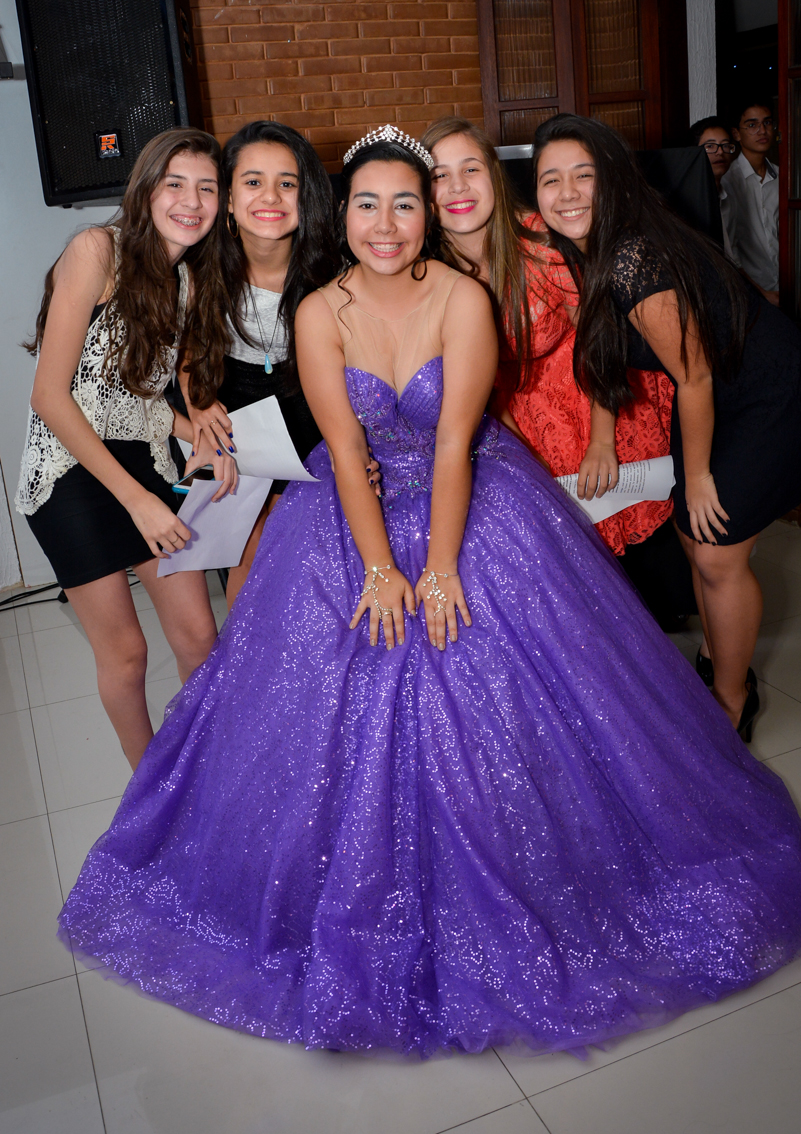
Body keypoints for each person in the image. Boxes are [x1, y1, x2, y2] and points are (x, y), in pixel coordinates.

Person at [58, 128, 801, 1060]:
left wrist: (439, 567)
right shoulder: (320, 312)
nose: (384, 222)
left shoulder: (461, 298)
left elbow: (455, 442)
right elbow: (340, 449)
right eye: (365, 203)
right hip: (348, 509)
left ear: (425, 215)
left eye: (404, 204)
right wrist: (379, 569)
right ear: (347, 215)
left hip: (470, 499)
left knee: (506, 670)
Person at [531, 112, 801, 737]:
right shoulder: (585, 249)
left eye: (583, 175)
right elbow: (602, 346)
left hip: (762, 391)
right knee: (690, 537)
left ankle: (733, 701)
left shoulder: (630, 257)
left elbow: (694, 377)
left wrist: (701, 474)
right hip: (711, 392)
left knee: (715, 549)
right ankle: (716, 651)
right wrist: (601, 439)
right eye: (551, 179)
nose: (567, 193)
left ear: (613, 180)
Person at [15, 128, 235, 769]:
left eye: (206, 188)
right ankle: (150, 793)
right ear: (145, 190)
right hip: (70, 469)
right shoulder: (95, 250)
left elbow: (156, 392)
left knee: (199, 635)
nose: (191, 201)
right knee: (128, 652)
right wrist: (139, 501)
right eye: (175, 184)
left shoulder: (190, 281)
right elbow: (52, 398)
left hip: (142, 457)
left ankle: (211, 768)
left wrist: (202, 429)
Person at [422, 116, 675, 560]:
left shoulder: (542, 239)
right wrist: (522, 454)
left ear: (495, 177)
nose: (458, 186)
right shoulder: (427, 274)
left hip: (593, 384)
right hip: (506, 414)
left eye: (471, 169)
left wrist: (601, 441)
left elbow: (599, 338)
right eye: (440, 175)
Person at [178, 121, 344, 608]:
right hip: (238, 414)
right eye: (252, 182)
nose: (269, 196)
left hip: (317, 411)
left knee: (320, 556)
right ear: (227, 198)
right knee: (250, 555)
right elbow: (185, 350)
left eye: (286, 183)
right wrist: (198, 401)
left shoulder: (335, 271)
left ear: (306, 195)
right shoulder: (198, 270)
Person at [725, 100, 779, 305]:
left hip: (787, 284)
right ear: (737, 134)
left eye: (767, 123)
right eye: (752, 125)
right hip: (751, 290)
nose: (762, 131)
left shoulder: (783, 178)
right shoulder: (729, 180)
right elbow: (730, 250)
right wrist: (760, 293)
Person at [688, 115, 737, 260]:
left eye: (726, 145)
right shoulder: (688, 201)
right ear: (693, 152)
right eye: (710, 146)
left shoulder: (728, 198)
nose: (720, 152)